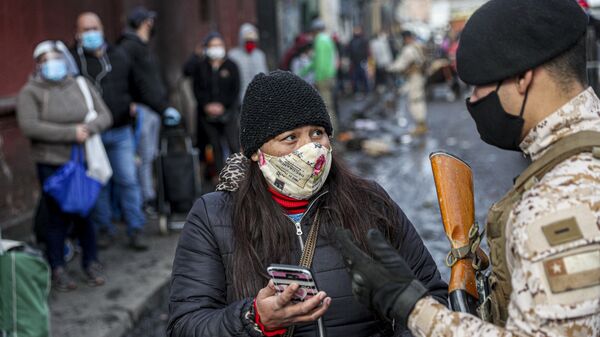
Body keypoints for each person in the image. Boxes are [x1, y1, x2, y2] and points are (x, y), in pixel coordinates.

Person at [336, 1, 600, 336]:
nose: (473, 101)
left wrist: (412, 305)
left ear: (522, 78)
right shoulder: (578, 153)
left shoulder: (560, 200)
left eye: (480, 85)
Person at [167, 70, 447, 337]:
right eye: (290, 138)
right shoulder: (213, 217)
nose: (310, 149)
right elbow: (186, 324)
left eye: (317, 133)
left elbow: (431, 293)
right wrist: (254, 320)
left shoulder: (370, 202)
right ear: (255, 152)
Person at [72, 12, 173, 250]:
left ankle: (135, 228)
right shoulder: (73, 62)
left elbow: (141, 86)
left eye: (94, 28)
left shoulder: (119, 56)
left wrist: (162, 107)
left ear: (102, 30)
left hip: (120, 131)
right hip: (91, 135)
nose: (91, 34)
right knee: (100, 182)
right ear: (77, 34)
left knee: (128, 179)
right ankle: (104, 229)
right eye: (85, 30)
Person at [17, 41, 112, 290]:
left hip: (82, 161)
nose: (53, 64)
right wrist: (70, 132)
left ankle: (90, 262)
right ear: (38, 65)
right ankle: (57, 267)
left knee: (84, 213)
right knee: (55, 217)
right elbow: (30, 126)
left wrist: (88, 129)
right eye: (46, 60)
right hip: (51, 163)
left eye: (56, 58)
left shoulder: (80, 84)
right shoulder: (31, 91)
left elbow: (104, 115)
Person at [117, 6, 181, 217]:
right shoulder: (128, 47)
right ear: (143, 23)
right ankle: (144, 199)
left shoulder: (143, 47)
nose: (151, 25)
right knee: (142, 157)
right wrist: (130, 101)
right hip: (142, 109)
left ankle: (148, 194)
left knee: (150, 154)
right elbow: (126, 77)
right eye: (148, 21)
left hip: (154, 108)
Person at [183, 32, 240, 175]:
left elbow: (235, 89)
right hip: (207, 115)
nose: (216, 48)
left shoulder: (231, 66)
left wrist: (223, 106)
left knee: (233, 144)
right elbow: (195, 88)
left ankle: (240, 175)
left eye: (219, 45)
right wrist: (207, 106)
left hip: (228, 113)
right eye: (212, 46)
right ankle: (222, 177)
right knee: (215, 147)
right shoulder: (200, 66)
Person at [388, 31, 427, 136]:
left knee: (415, 100)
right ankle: (420, 125)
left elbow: (401, 64)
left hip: (414, 77)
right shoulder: (417, 47)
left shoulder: (409, 49)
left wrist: (390, 68)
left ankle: (420, 125)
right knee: (417, 99)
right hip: (418, 77)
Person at [305, 19, 338, 132]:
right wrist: (304, 71)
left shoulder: (319, 41)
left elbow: (320, 62)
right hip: (330, 76)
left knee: (326, 106)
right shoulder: (328, 39)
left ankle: (331, 132)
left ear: (315, 31)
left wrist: (318, 79)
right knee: (330, 105)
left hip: (323, 78)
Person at [228, 23, 269, 102]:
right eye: (247, 41)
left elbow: (265, 75)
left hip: (259, 99)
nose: (250, 43)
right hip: (239, 100)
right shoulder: (233, 55)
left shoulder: (260, 55)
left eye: (252, 41)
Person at [348, 26, 370, 96]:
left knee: (364, 77)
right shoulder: (352, 41)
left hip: (362, 61)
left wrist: (365, 59)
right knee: (355, 78)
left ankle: (366, 90)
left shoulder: (364, 40)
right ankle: (357, 91)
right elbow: (350, 51)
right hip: (354, 62)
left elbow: (366, 51)